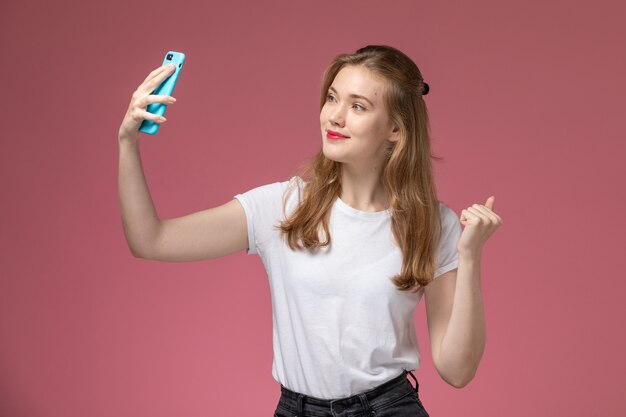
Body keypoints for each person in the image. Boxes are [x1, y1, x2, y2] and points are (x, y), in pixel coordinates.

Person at [117, 45, 502, 417]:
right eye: (332, 98)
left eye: (357, 106)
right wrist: (127, 142)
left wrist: (469, 258)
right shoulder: (283, 206)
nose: (334, 116)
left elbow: (457, 370)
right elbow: (150, 240)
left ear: (396, 129)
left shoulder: (433, 224)